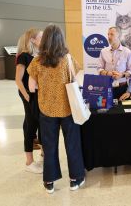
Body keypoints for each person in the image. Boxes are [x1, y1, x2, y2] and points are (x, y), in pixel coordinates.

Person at [27, 24, 85, 194]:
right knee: (72, 144)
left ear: (44, 40)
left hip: (46, 110)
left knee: (50, 145)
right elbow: (75, 79)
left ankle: (49, 182)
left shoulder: (37, 61)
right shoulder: (67, 58)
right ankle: (75, 179)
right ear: (61, 39)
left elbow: (31, 86)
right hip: (68, 109)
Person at [15, 28, 43, 174]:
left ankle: (43, 156)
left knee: (40, 123)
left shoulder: (38, 56)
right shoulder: (23, 56)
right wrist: (27, 96)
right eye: (40, 37)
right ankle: (29, 162)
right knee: (31, 124)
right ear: (32, 40)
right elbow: (18, 80)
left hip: (38, 94)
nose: (43, 39)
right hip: (28, 95)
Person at [97, 27, 131, 99]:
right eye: (108, 34)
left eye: (112, 34)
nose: (109, 37)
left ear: (119, 36)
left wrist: (122, 75)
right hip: (106, 87)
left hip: (122, 88)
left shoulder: (127, 52)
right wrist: (108, 73)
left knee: (121, 109)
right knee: (107, 109)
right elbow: (99, 68)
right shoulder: (103, 51)